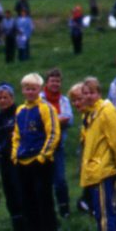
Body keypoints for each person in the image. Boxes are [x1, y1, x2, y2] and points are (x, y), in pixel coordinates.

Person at [76, 78, 116, 231]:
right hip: (94, 170)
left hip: (104, 170)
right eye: (85, 93)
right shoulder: (89, 114)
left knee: (105, 213)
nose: (88, 97)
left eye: (92, 92)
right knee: (99, 213)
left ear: (99, 93)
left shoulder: (106, 111)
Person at [11, 73, 59, 231]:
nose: (30, 92)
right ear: (23, 90)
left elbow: (53, 133)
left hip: (40, 163)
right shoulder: (20, 110)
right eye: (27, 89)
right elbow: (16, 135)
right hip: (23, 163)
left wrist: (43, 156)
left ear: (39, 89)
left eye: (33, 89)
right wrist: (15, 155)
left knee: (44, 205)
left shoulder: (46, 108)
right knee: (29, 206)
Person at [0, 84, 25, 231]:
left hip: (18, 160)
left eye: (5, 97)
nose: (2, 100)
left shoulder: (19, 113)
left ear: (12, 98)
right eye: (0, 98)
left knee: (21, 194)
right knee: (10, 196)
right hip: (4, 161)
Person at [41, 69, 73, 215]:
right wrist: (58, 120)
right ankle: (47, 211)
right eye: (52, 81)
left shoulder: (64, 100)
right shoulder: (40, 99)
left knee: (60, 180)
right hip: (43, 145)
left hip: (58, 145)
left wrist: (53, 120)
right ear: (47, 83)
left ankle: (64, 209)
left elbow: (70, 119)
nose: (55, 84)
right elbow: (41, 120)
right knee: (45, 180)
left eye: (58, 81)